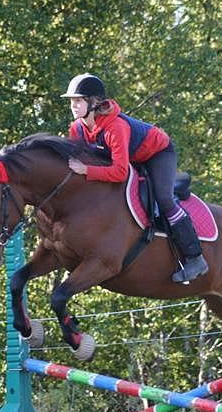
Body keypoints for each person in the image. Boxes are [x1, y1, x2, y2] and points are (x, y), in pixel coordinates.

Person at [62, 73, 208, 283]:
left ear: (93, 102)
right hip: (132, 156)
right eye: (72, 102)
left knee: (164, 199)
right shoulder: (77, 128)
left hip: (157, 153)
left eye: (78, 100)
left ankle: (196, 258)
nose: (73, 106)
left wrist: (86, 170)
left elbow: (119, 172)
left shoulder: (115, 127)